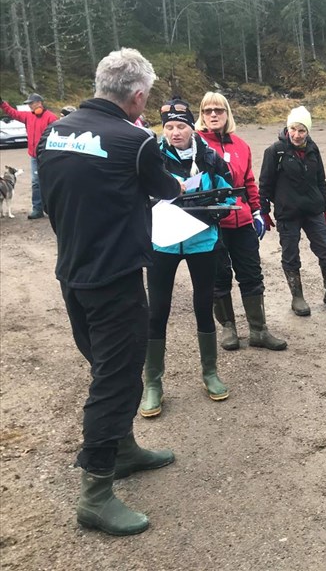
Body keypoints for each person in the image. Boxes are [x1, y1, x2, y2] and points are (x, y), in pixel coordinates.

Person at [37, 48, 182, 536]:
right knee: (116, 382)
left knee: (105, 367)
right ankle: (95, 494)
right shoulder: (135, 140)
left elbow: (57, 199)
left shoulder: (54, 132)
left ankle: (122, 450)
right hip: (116, 278)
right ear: (138, 97)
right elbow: (169, 191)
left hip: (72, 272)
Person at [140, 98, 237, 418]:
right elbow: (138, 195)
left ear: (191, 127)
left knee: (203, 307)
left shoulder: (209, 157)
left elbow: (228, 191)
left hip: (201, 243)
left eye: (180, 126)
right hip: (163, 243)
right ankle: (153, 383)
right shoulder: (151, 156)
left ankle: (210, 373)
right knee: (157, 311)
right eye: (168, 127)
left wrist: (210, 210)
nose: (174, 132)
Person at [195, 91, 287, 352]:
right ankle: (228, 328)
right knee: (219, 276)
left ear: (227, 114)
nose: (213, 115)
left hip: (242, 218)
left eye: (219, 110)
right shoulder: (195, 144)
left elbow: (248, 181)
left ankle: (258, 330)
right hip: (213, 221)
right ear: (202, 115)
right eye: (207, 110)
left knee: (251, 274)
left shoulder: (241, 145)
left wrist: (257, 211)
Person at [259, 106, 326, 315]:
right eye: (293, 129)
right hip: (287, 213)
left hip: (313, 211)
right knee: (291, 255)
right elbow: (264, 184)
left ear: (308, 131)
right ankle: (297, 297)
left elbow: (320, 180)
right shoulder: (275, 152)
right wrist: (264, 211)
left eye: (302, 130)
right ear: (287, 128)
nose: (297, 135)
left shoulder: (313, 149)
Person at [1, 92, 58, 219]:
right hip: (34, 156)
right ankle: (37, 209)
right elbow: (13, 113)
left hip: (47, 156)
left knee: (49, 182)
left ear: (39, 103)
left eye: (31, 103)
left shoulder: (51, 118)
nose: (30, 106)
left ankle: (52, 208)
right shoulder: (28, 116)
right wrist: (2, 104)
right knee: (35, 182)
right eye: (29, 104)